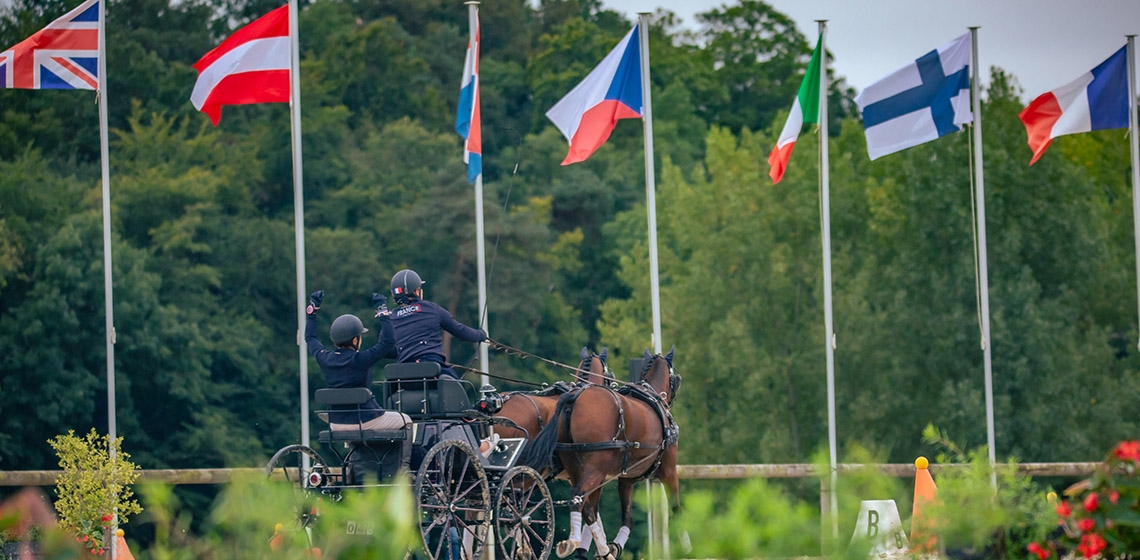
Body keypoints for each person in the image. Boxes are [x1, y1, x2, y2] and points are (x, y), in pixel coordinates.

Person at [305, 289, 411, 431]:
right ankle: (407, 454)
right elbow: (389, 341)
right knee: (405, 419)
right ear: (355, 340)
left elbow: (310, 338)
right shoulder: (360, 360)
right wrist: (383, 311)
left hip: (336, 424)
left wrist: (312, 310)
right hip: (364, 420)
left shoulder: (324, 358)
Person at [388, 269, 487, 379]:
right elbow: (461, 331)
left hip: (403, 374)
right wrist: (481, 335)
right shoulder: (432, 309)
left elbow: (388, 350)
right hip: (432, 368)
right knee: (456, 387)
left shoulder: (391, 318)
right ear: (417, 292)